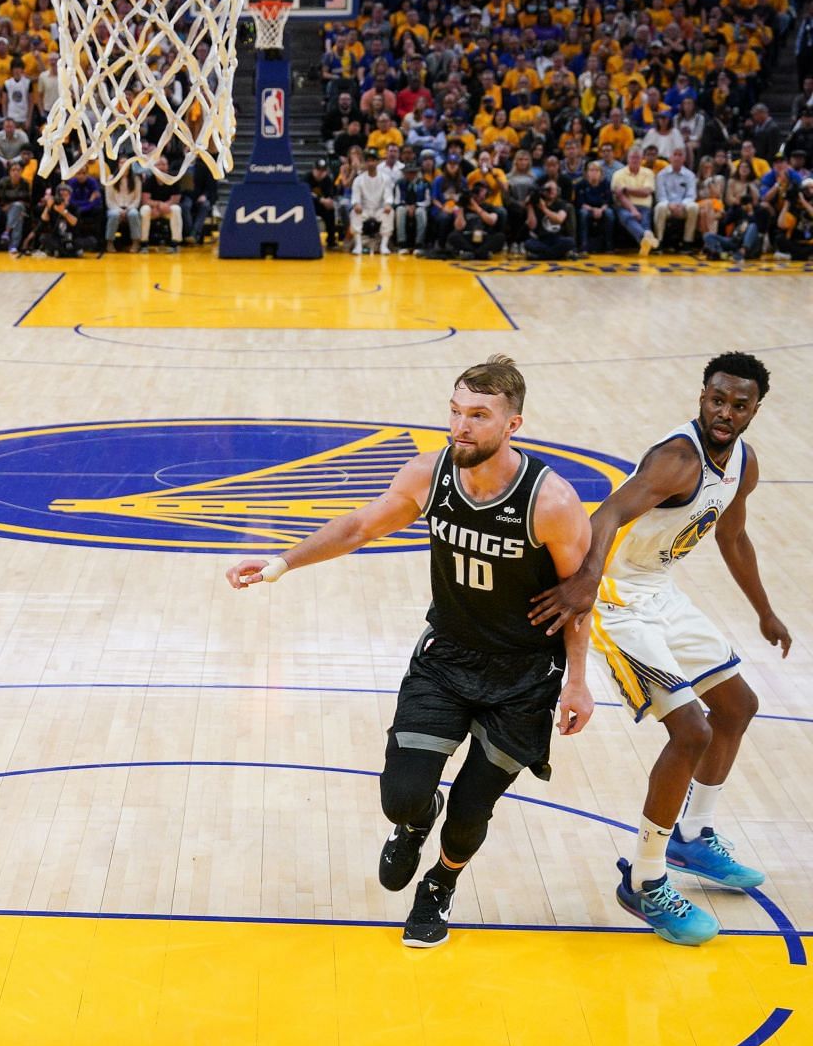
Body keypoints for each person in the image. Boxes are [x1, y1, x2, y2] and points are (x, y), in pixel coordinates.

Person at [227, 357, 595, 947]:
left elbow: (577, 599)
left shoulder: (549, 501)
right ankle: (416, 822)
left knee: (472, 810)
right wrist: (280, 563)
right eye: (455, 412)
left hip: (524, 675)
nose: (461, 426)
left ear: (514, 424)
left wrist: (578, 681)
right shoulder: (428, 475)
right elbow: (357, 527)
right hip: (447, 659)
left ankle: (440, 886)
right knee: (402, 797)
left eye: (478, 415)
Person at [530, 353, 789, 946]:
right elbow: (610, 511)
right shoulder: (677, 459)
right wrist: (589, 580)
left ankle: (693, 836)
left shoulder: (742, 464)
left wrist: (764, 610)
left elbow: (732, 534)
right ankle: (646, 880)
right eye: (717, 400)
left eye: (739, 405)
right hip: (619, 601)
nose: (725, 413)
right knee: (691, 731)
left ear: (754, 409)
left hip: (660, 592)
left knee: (737, 707)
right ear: (702, 396)